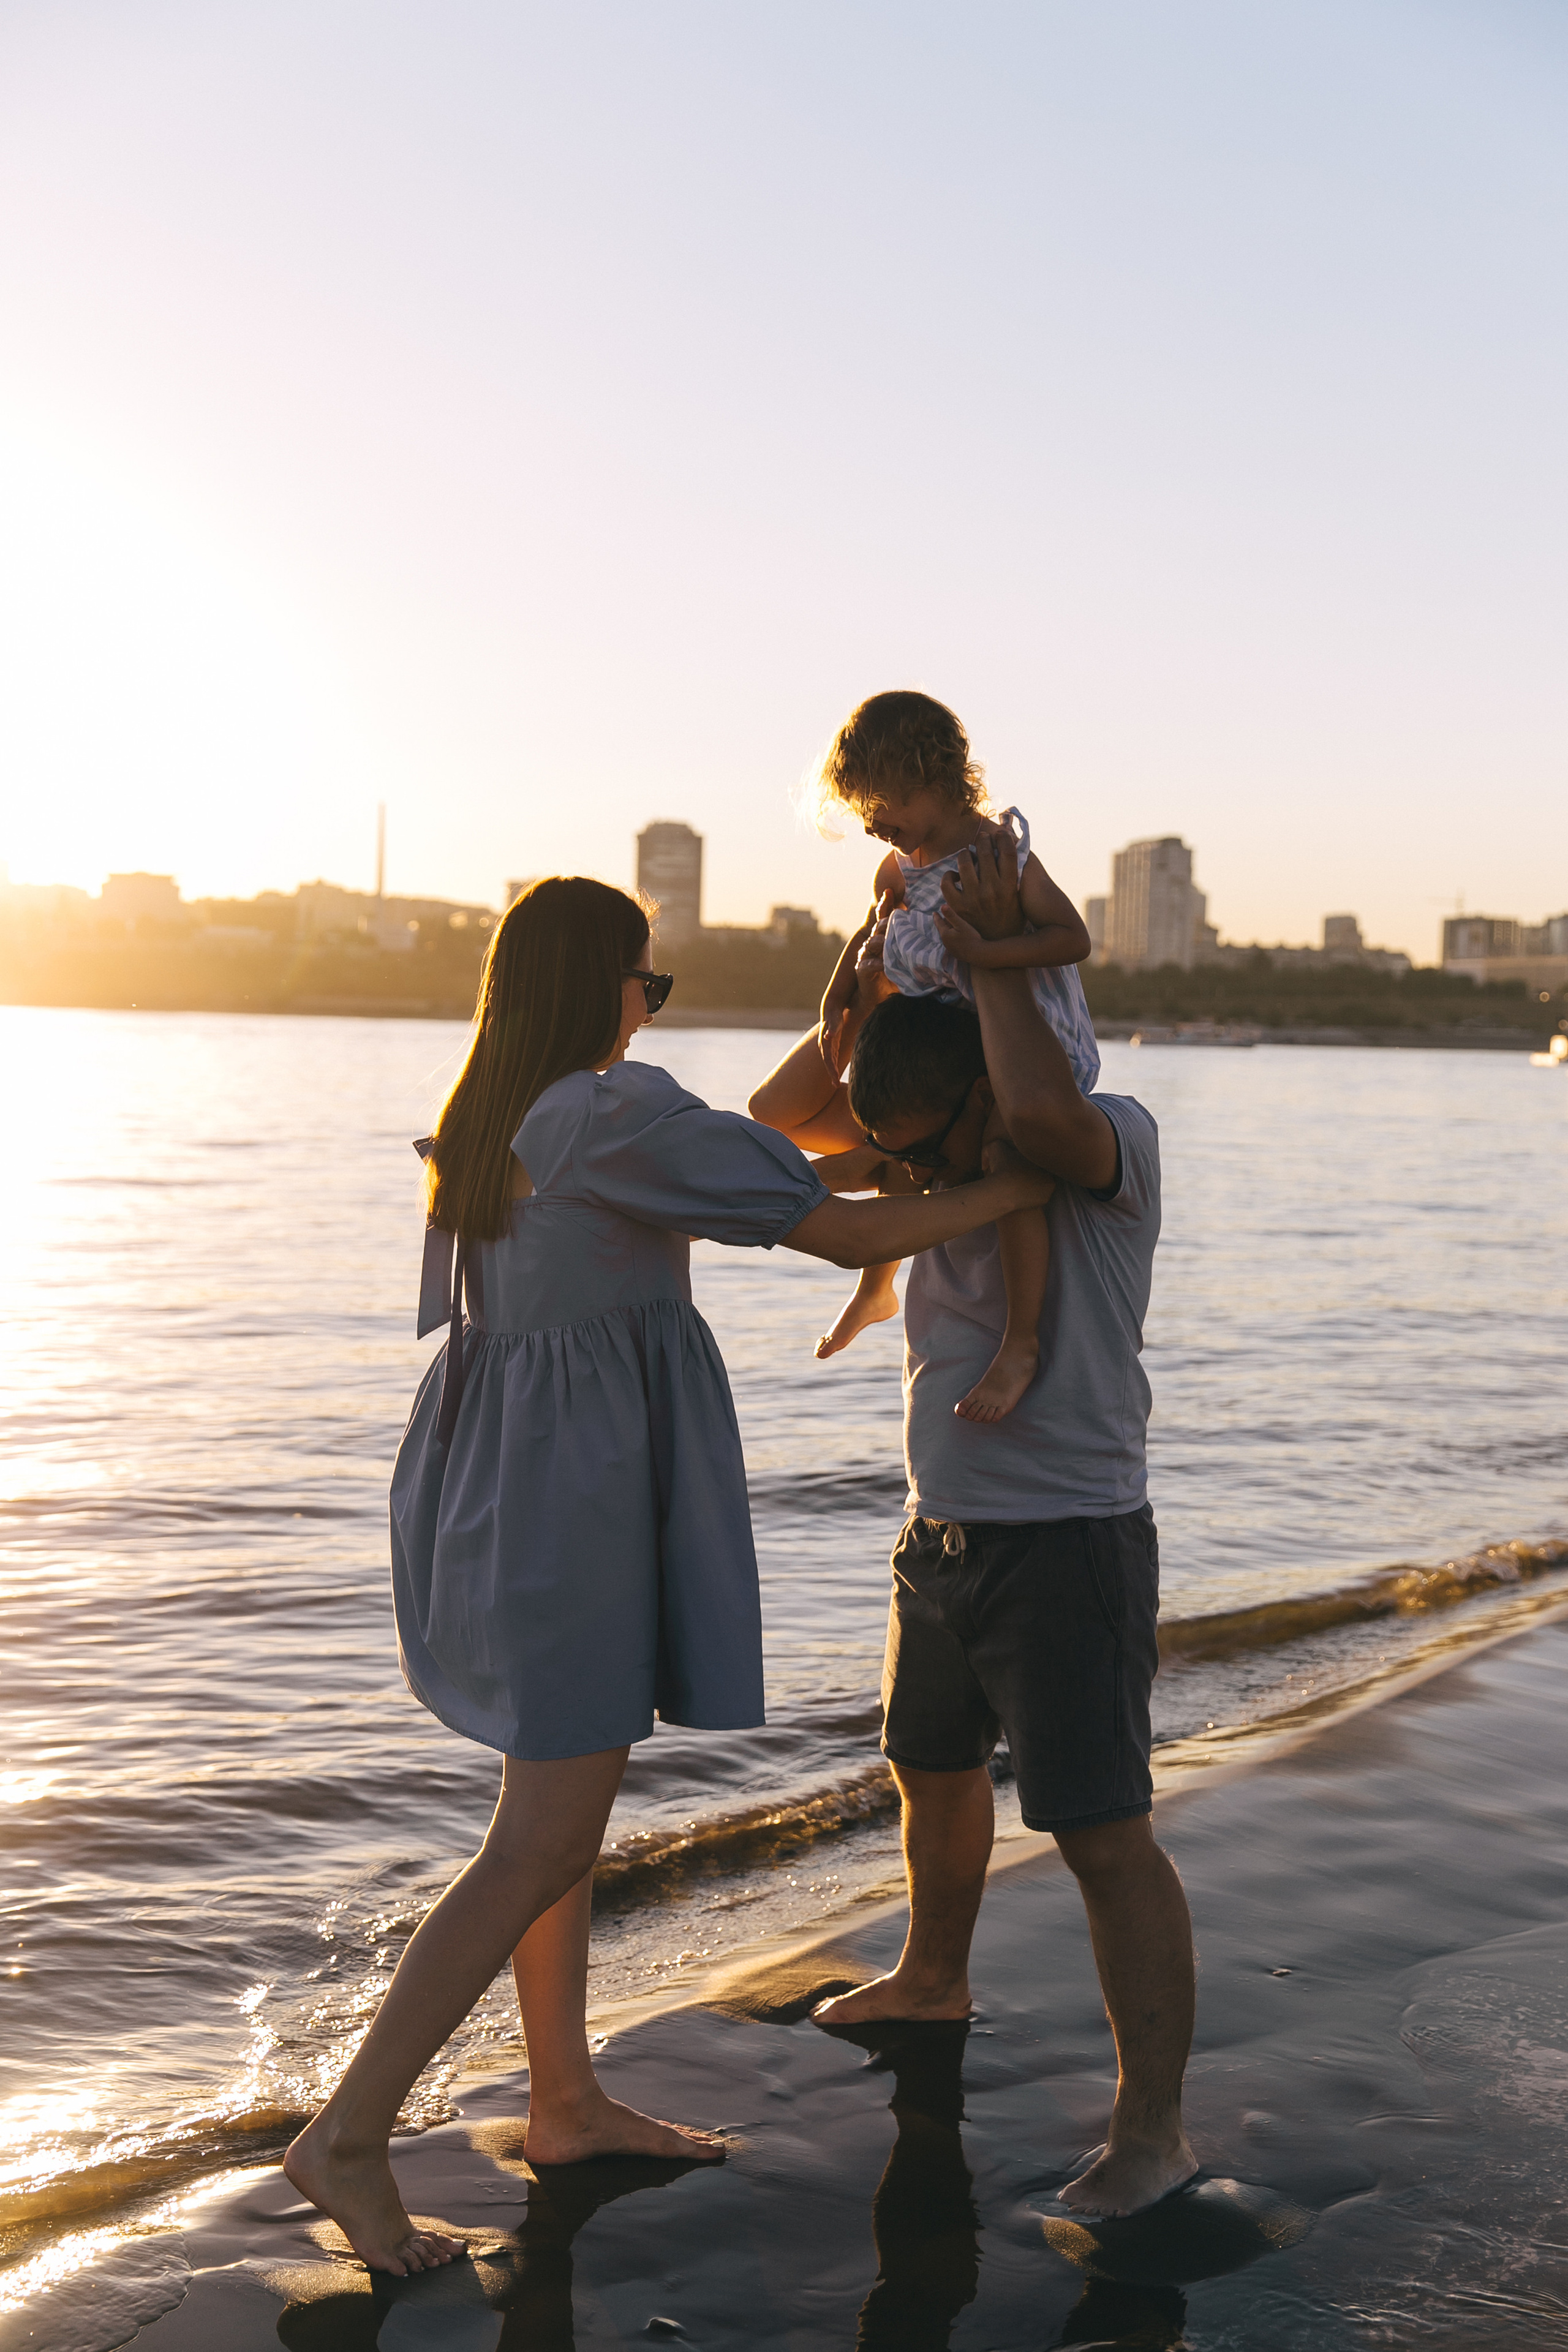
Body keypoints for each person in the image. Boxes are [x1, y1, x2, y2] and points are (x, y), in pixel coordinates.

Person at [284, 874, 1056, 2277]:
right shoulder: (610, 1107)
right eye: (650, 982)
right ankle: (349, 2132)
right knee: (537, 1836)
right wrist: (1017, 1180)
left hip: (500, 1492)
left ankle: (563, 2101)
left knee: (551, 1820)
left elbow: (769, 1182)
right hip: (574, 1507)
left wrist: (879, 1166)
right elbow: (829, 1229)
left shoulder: (504, 1120)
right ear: (599, 989)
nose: (654, 1004)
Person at [748, 834, 1196, 2220]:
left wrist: (1001, 953)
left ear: (982, 1101)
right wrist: (862, 960)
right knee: (927, 1769)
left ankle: (1151, 2130)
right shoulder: (927, 1141)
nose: (900, 1173)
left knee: (1100, 1831)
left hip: (1065, 1540)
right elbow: (771, 1131)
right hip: (938, 1532)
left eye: (918, 1146)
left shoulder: (1101, 1142)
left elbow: (1037, 1116)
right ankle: (931, 1974)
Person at [805, 690, 1096, 1425]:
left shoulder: (1000, 857)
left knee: (1004, 1160)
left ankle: (1020, 1341)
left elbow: (1070, 939)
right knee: (903, 1143)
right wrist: (839, 988)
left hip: (1030, 1046)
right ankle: (877, 1286)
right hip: (952, 1048)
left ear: (928, 774)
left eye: (879, 802)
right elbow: (868, 931)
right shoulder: (900, 869)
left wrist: (992, 952)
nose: (872, 824)